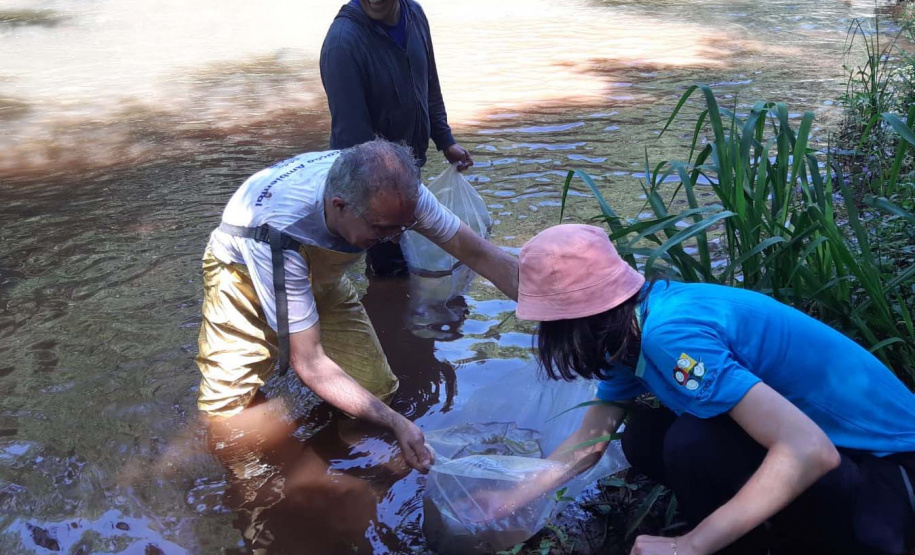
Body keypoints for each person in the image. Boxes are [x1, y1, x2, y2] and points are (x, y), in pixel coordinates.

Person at [486, 224, 915, 555]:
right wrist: (508, 499)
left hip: (889, 463)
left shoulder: (670, 335)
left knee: (692, 442)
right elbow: (591, 440)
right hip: (830, 451)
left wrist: (691, 544)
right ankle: (757, 532)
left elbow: (808, 449)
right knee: (646, 437)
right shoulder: (632, 327)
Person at [194, 139, 517, 475]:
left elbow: (478, 253)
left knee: (376, 387)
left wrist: (556, 311)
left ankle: (340, 465)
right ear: (339, 206)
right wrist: (395, 423)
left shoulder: (398, 193)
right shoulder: (278, 229)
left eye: (402, 227)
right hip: (243, 273)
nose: (395, 239)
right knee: (230, 412)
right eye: (382, 230)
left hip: (322, 273)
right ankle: (249, 486)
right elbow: (310, 361)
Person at [320, 0, 473, 277]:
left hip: (407, 171)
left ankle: (395, 315)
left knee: (411, 266)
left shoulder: (414, 14)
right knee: (390, 270)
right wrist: (381, 205)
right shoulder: (342, 43)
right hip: (372, 187)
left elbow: (429, 85)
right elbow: (351, 140)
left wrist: (445, 139)